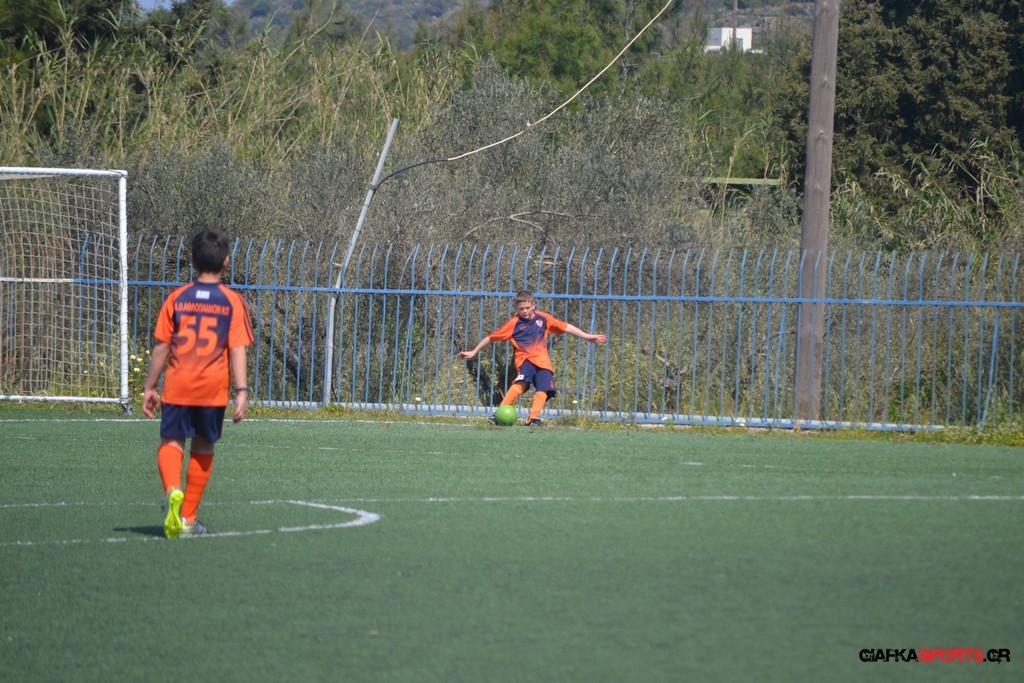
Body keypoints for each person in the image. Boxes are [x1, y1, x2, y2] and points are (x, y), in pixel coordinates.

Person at [142, 229, 254, 539]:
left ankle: (172, 490)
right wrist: (242, 391)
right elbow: (237, 348)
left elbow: (162, 346)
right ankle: (188, 518)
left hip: (178, 385)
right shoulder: (232, 302)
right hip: (211, 390)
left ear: (192, 261)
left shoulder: (177, 298)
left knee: (171, 442)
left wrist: (150, 386)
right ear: (226, 261)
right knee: (203, 447)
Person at [459, 290, 607, 427]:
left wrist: (587, 337)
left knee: (544, 388)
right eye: (521, 309)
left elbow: (566, 327)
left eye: (527, 308)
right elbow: (491, 338)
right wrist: (474, 351)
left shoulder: (543, 318)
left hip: (543, 362)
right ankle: (498, 414)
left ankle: (533, 419)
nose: (525, 311)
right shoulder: (514, 323)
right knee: (521, 384)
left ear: (533, 305)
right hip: (525, 360)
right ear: (517, 308)